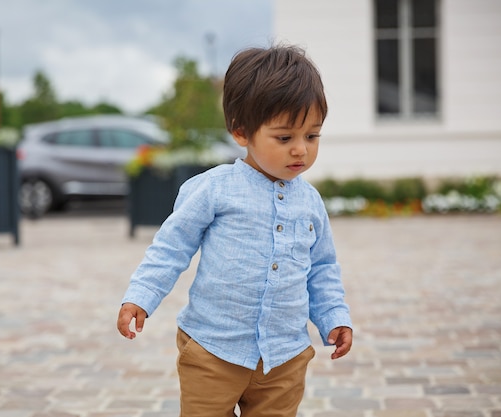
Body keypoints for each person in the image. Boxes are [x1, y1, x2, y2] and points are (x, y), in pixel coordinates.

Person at [117, 44, 353, 417]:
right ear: (242, 133)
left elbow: (322, 268)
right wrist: (141, 295)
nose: (300, 151)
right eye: (284, 137)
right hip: (214, 351)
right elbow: (171, 247)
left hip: (283, 359)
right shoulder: (213, 189)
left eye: (312, 136)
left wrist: (334, 316)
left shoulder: (310, 203)